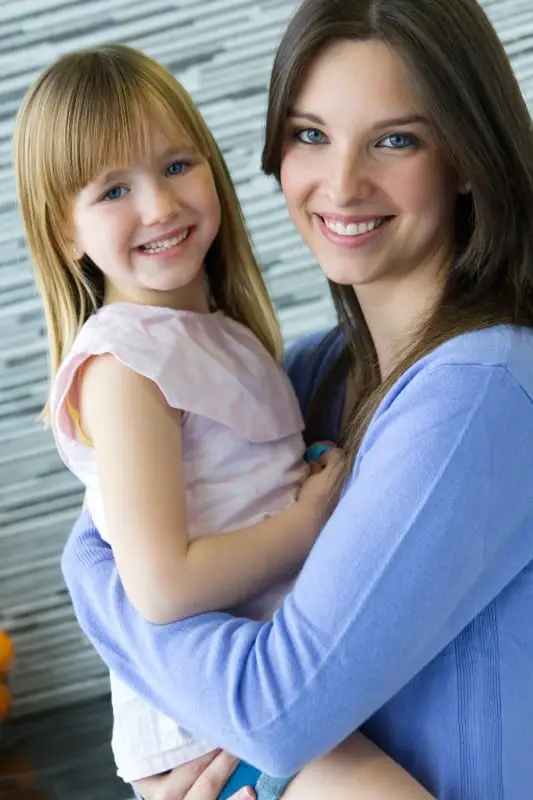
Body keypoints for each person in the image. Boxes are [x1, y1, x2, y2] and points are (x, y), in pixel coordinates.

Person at [60, 0, 533, 795]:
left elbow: (275, 712)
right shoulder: (313, 377)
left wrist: (102, 594)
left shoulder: (477, 391)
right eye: (311, 134)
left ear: (463, 155)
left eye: (395, 139)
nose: (341, 183)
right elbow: (118, 519)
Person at [13, 43, 348, 799]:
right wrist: (311, 519)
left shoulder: (219, 336)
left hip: (273, 683)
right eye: (112, 191)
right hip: (211, 732)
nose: (159, 206)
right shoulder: (124, 368)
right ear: (64, 233)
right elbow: (160, 585)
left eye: (175, 166)